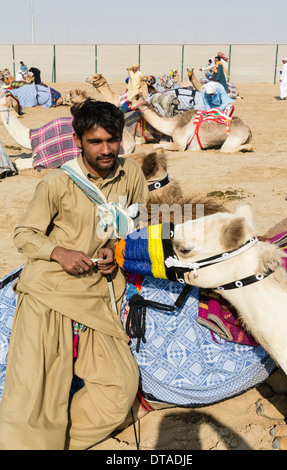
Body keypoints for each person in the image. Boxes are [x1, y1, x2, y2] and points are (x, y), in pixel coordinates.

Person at [0, 98, 150, 450]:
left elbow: (139, 222)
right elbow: (24, 235)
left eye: (112, 139)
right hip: (48, 292)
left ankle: (60, 442)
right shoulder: (56, 183)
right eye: (96, 141)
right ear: (78, 140)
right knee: (37, 394)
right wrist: (59, 252)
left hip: (97, 294)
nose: (107, 149)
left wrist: (116, 250)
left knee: (120, 388)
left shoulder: (132, 175)